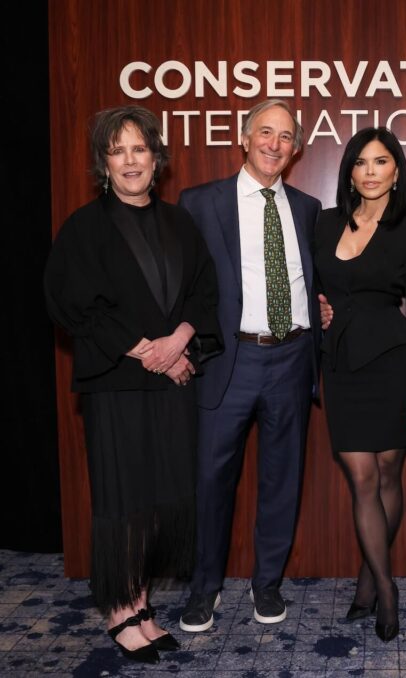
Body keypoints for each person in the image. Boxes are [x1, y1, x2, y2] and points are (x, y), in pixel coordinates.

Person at [43, 106, 222, 663]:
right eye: (117, 151)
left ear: (156, 158)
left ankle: (141, 604)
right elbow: (73, 302)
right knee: (122, 500)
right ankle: (121, 612)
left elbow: (203, 293)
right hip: (118, 384)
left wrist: (181, 341)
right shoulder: (84, 226)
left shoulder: (179, 222)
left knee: (157, 501)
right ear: (104, 163)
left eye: (139, 149)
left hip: (172, 388)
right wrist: (151, 351)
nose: (129, 161)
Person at [177, 100, 321, 633]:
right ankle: (204, 589)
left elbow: (314, 278)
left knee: (283, 478)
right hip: (228, 361)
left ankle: (268, 584)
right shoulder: (199, 202)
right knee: (212, 480)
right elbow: (184, 287)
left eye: (286, 137)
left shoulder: (307, 207)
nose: (274, 144)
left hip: (291, 356)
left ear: (296, 148)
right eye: (265, 132)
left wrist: (320, 308)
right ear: (243, 137)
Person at [314, 127, 406, 641]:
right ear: (349, 171)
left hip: (392, 360)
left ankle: (370, 577)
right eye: (360, 163)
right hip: (340, 364)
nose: (369, 172)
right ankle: (387, 588)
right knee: (361, 477)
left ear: (396, 171)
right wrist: (320, 309)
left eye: (380, 162)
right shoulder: (323, 223)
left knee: (388, 474)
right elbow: (312, 287)